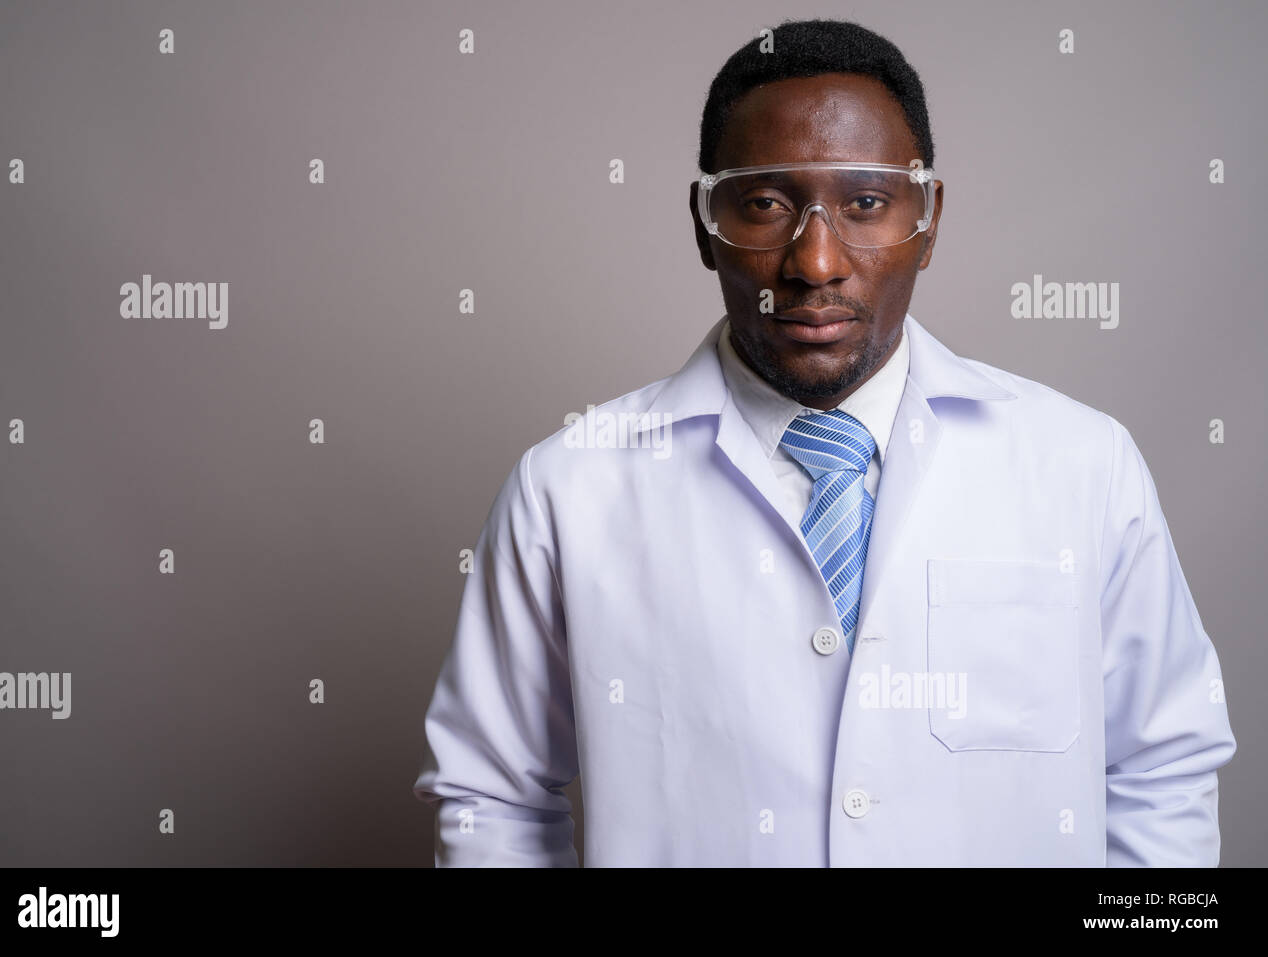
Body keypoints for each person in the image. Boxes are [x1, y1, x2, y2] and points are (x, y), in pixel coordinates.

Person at [412, 18, 1236, 866]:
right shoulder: (569, 491)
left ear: (930, 219)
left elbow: (1164, 765)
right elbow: (491, 794)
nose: (815, 260)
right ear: (705, 223)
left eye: (866, 203)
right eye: (766, 203)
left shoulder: (1082, 468)